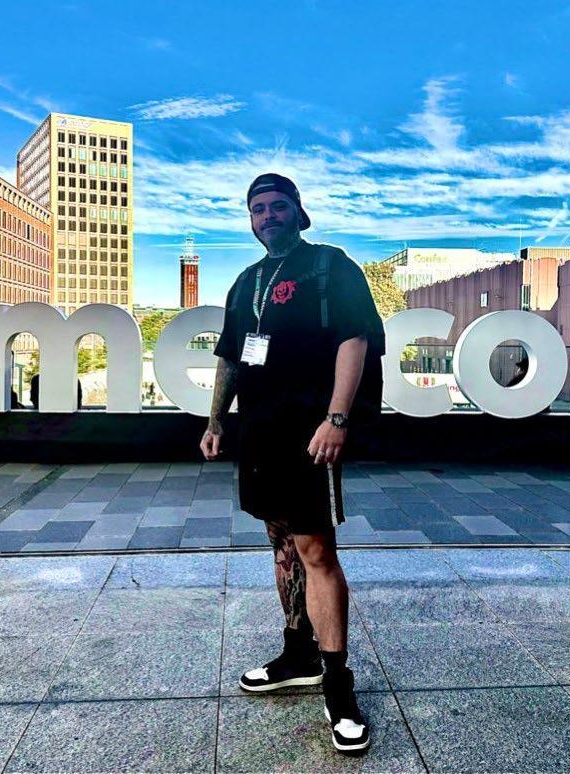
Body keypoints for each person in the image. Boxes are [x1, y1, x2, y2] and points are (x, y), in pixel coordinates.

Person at [201, 173, 385, 754]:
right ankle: (299, 654)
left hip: (311, 432)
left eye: (278, 205)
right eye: (257, 208)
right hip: (259, 433)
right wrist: (215, 421)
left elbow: (354, 339)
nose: (268, 216)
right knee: (281, 542)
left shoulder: (330, 266)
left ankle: (338, 684)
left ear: (299, 212)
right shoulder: (246, 281)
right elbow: (231, 356)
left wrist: (337, 418)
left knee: (316, 551)